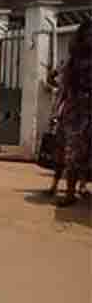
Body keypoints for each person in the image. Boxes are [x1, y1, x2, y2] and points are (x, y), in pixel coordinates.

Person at [50, 20, 92, 207]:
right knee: (72, 152)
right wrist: (57, 110)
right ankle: (70, 192)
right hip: (77, 111)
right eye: (88, 35)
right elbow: (63, 85)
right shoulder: (73, 61)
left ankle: (81, 188)